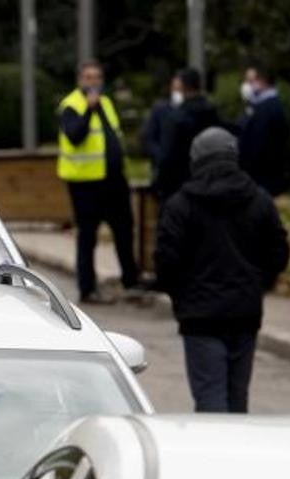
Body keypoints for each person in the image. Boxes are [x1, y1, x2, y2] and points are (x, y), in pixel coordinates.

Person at [155, 127, 289, 413]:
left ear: (196, 160)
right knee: (238, 399)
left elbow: (166, 262)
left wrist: (182, 296)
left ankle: (215, 453)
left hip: (200, 316)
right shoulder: (259, 200)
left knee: (210, 399)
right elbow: (278, 252)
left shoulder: (181, 205)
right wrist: (257, 284)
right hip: (245, 313)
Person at [56, 60, 141, 304]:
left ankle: (131, 280)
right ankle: (87, 288)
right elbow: (75, 136)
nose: (94, 83)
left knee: (124, 230)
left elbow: (112, 136)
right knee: (88, 236)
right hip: (85, 183)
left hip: (113, 180)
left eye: (97, 78)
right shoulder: (71, 106)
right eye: (89, 78)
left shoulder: (107, 103)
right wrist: (89, 110)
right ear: (80, 80)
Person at [155, 67, 222, 201]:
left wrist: (161, 187)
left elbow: (167, 158)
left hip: (180, 188)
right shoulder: (213, 114)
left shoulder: (176, 118)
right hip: (210, 185)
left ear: (183, 87)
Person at [238, 64, 290, 196]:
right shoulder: (257, 105)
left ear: (262, 80)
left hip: (263, 179)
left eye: (249, 81)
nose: (246, 85)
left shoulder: (269, 108)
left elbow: (258, 145)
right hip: (257, 179)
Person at [140, 75, 176, 181]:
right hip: (164, 169)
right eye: (176, 88)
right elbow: (147, 137)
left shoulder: (195, 110)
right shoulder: (160, 109)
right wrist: (162, 156)